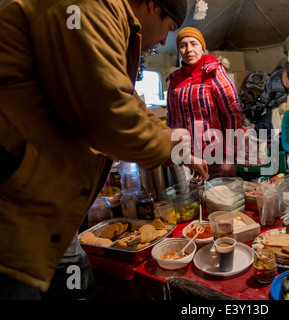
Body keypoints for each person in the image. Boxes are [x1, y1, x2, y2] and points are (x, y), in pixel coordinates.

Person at [0, 0, 208, 300]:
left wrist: (167, 138)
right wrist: (172, 148)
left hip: (27, 205)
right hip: (11, 208)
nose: (165, 41)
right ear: (152, 6)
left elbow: (123, 95)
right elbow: (106, 111)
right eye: (170, 29)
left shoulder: (107, 18)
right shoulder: (87, 7)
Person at [166, 27, 243, 179]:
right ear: (179, 51)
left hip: (215, 157)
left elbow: (233, 115)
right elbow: (171, 119)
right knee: (192, 200)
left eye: (194, 44)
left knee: (220, 200)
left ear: (202, 48)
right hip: (187, 159)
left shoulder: (214, 72)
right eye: (183, 45)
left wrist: (229, 156)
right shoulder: (175, 80)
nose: (189, 49)